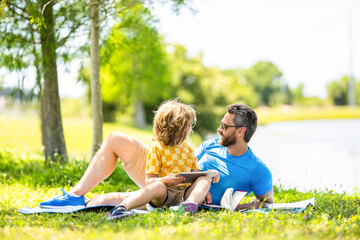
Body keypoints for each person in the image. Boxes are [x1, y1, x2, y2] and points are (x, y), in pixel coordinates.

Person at [39, 102, 273, 212]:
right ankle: (74, 196)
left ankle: (89, 203)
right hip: (166, 176)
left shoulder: (258, 170)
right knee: (115, 139)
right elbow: (184, 157)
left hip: (182, 193)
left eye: (225, 126)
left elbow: (267, 203)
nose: (219, 129)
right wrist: (161, 146)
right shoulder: (211, 144)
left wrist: (238, 206)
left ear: (241, 131)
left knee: (114, 198)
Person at [107, 100, 218, 219]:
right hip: (162, 196)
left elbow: (195, 174)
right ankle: (120, 208)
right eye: (187, 125)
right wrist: (166, 180)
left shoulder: (188, 148)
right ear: (176, 127)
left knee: (204, 179)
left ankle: (187, 205)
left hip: (183, 195)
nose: (190, 128)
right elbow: (149, 181)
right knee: (158, 186)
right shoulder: (156, 148)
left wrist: (210, 174)